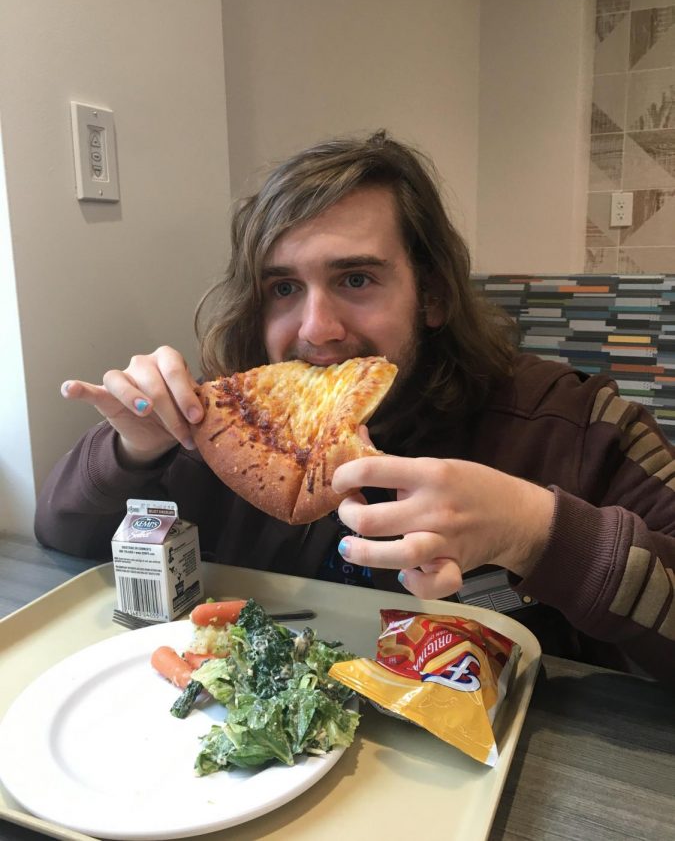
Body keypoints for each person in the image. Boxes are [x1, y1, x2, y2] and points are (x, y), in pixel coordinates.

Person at [35, 130, 675, 686]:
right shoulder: (231, 430)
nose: (318, 328)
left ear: (432, 296)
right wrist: (133, 452)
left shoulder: (581, 425)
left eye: (356, 279)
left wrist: (536, 531)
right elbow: (65, 536)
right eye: (283, 287)